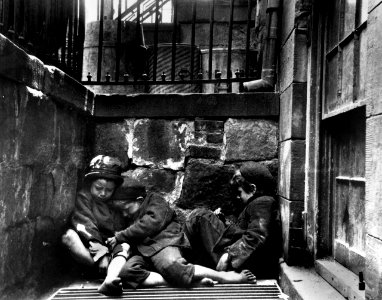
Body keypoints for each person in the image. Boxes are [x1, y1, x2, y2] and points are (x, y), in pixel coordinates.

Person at [98, 180, 257, 296]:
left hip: (163, 242)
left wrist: (120, 235)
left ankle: (225, 276)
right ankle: (190, 282)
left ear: (139, 201)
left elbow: (152, 223)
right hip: (143, 251)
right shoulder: (128, 215)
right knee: (127, 273)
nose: (125, 214)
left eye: (126, 209)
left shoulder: (155, 201)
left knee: (171, 266)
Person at [184, 161, 280, 279]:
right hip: (240, 260)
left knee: (199, 217)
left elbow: (257, 236)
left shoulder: (263, 202)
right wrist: (223, 221)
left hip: (241, 264)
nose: (238, 197)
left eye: (239, 192)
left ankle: (180, 266)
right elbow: (245, 230)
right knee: (202, 217)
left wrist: (229, 255)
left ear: (253, 188)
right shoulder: (259, 203)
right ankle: (185, 266)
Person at [61, 155, 126, 275]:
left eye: (108, 190)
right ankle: (99, 268)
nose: (103, 193)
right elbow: (85, 223)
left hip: (110, 246)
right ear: (91, 184)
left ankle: (111, 269)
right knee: (68, 236)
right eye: (98, 188)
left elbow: (120, 230)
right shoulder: (84, 197)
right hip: (90, 243)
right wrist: (101, 253)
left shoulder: (115, 203)